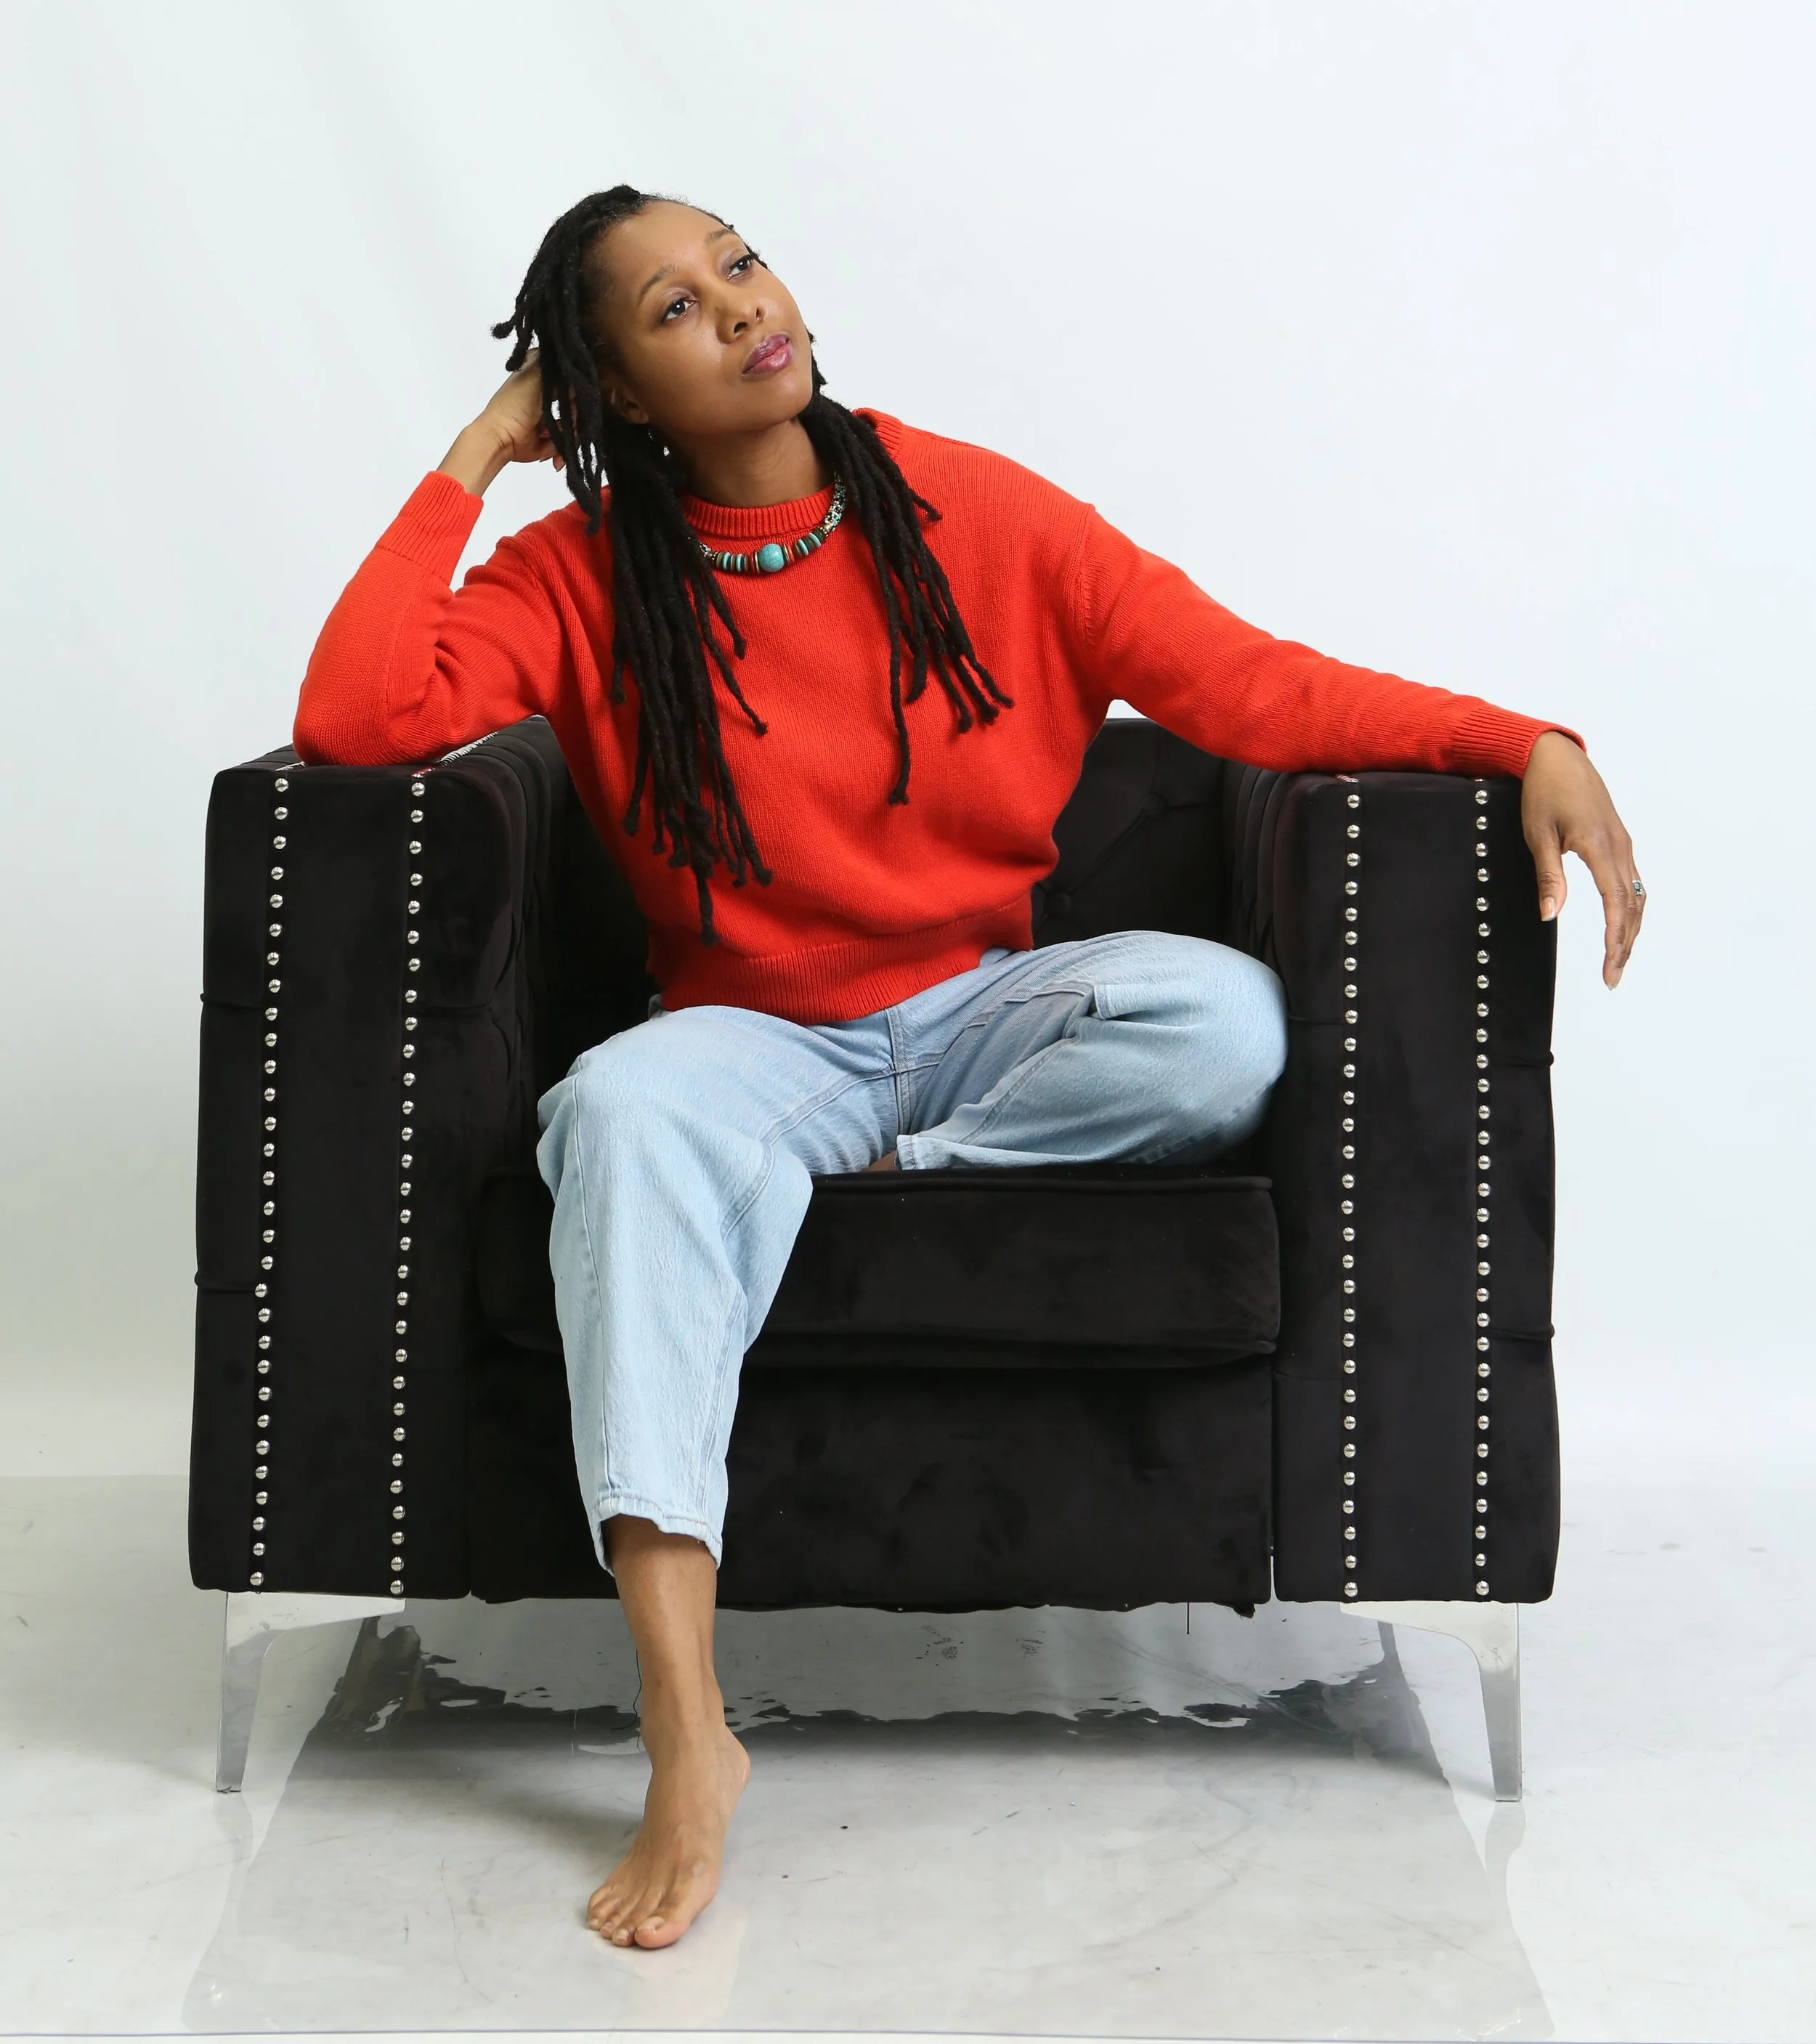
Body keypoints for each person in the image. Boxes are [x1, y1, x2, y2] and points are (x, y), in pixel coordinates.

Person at [296, 185, 1643, 1950]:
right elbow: (358, 718)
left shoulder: (971, 517)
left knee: (1222, 1016)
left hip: (976, 1021)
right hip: (748, 1036)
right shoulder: (577, 576)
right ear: (610, 392)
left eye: (740, 266)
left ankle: (874, 1189)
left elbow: (1251, 690)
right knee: (622, 1110)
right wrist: (480, 451)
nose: (740, 310)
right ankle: (687, 1731)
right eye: (673, 314)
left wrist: (1518, 738)